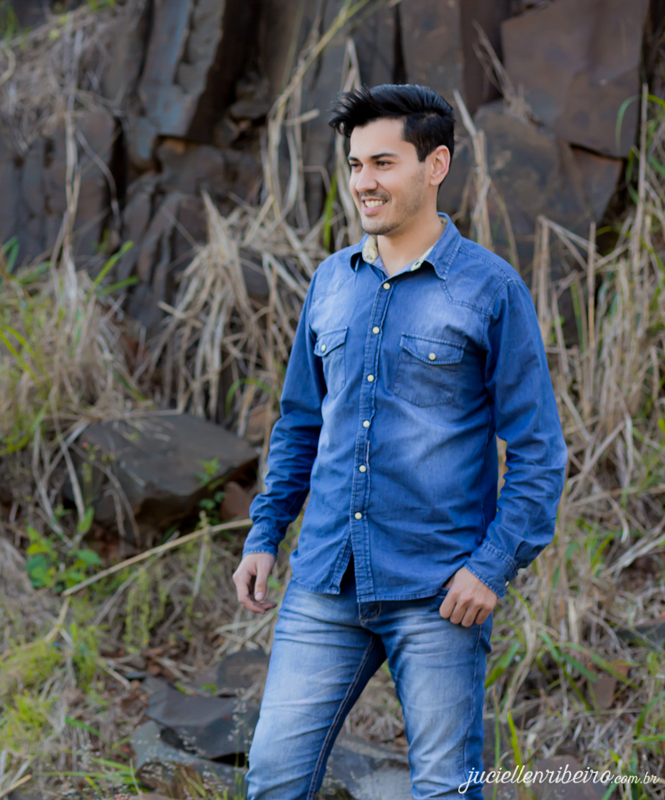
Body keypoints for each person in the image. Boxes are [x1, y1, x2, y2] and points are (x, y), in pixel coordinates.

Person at [232, 84, 567, 799]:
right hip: (324, 580)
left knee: (445, 791)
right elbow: (299, 424)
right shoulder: (330, 282)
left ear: (435, 165)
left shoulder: (490, 289)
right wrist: (265, 533)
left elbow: (538, 449)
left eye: (383, 163)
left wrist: (492, 567)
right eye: (356, 164)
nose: (364, 182)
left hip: (439, 591)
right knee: (273, 780)